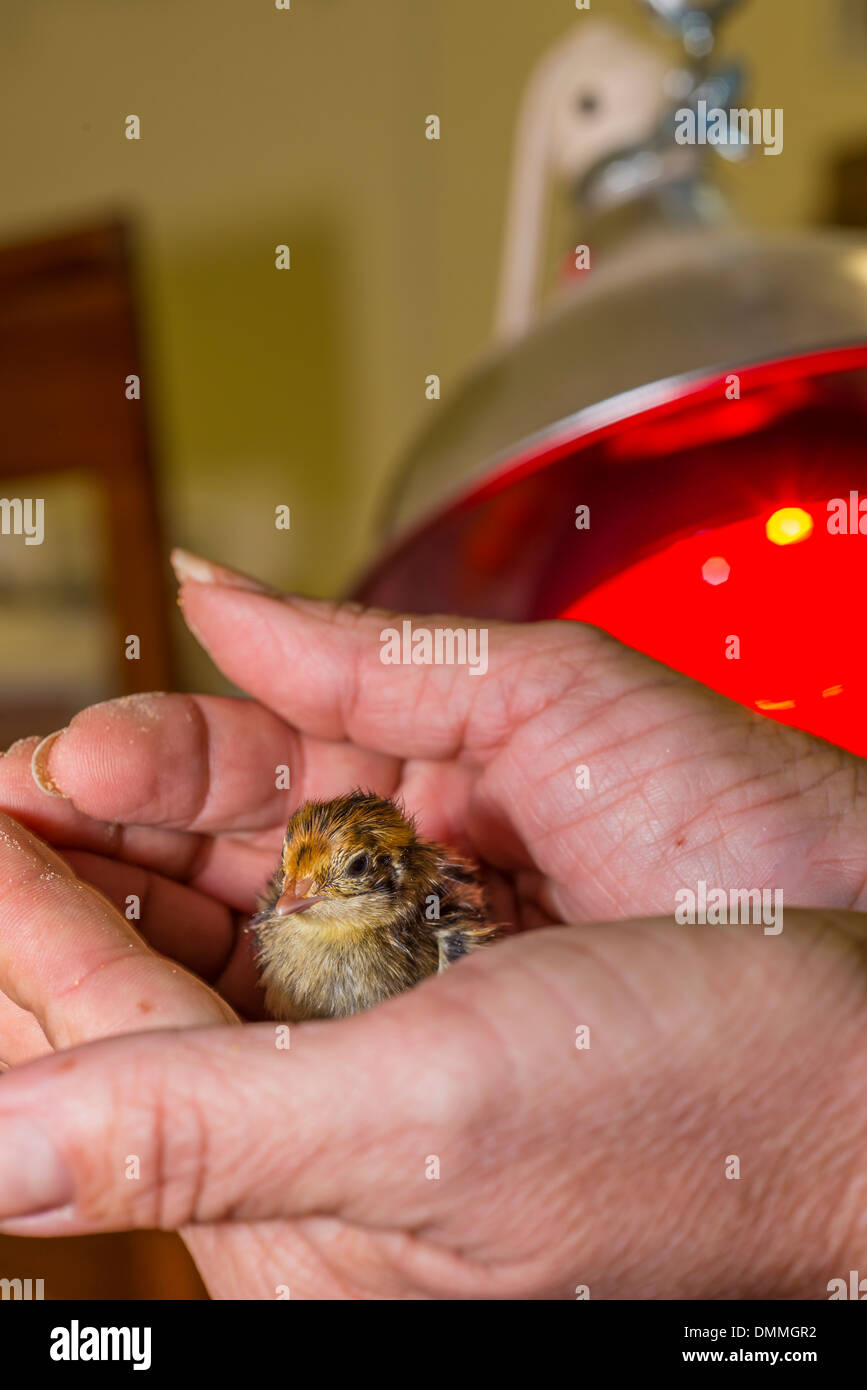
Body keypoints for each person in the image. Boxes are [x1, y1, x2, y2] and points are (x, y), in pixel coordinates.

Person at [0, 549, 864, 1300]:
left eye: (343, 881)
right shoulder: (281, 916)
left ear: (398, 882)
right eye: (292, 882)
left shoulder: (440, 929)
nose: (295, 901)